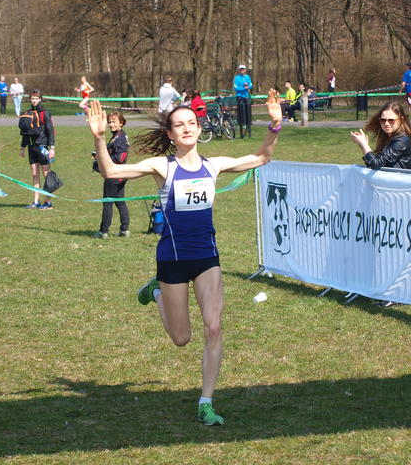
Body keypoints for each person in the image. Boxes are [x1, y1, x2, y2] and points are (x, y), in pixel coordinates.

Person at [87, 89, 282, 426]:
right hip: (173, 261)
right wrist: (100, 138)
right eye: (179, 125)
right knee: (182, 339)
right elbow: (110, 172)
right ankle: (156, 291)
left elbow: (262, 158)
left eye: (192, 122)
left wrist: (275, 126)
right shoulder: (162, 167)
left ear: (199, 128)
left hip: (207, 258)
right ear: (170, 134)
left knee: (214, 327)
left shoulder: (213, 165)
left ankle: (206, 402)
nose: (187, 128)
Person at [92, 111, 130, 239]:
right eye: (109, 122)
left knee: (108, 203)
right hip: (120, 174)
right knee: (120, 202)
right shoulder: (116, 136)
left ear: (121, 123)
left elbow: (119, 158)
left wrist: (102, 159)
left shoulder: (120, 138)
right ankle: (124, 230)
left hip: (115, 174)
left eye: (114, 122)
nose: (111, 124)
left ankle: (103, 231)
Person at [349, 101, 411, 170]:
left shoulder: (401, 141)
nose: (386, 123)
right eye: (382, 120)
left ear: (401, 119)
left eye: (391, 120)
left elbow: (376, 165)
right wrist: (362, 145)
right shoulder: (388, 138)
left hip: (400, 177)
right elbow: (372, 165)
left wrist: (364, 145)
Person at [19, 89, 56, 209]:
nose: (34, 100)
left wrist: (52, 148)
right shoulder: (28, 113)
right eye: (32, 98)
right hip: (32, 148)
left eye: (36, 98)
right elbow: (25, 133)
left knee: (46, 174)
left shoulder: (45, 113)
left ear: (40, 99)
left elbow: (50, 131)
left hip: (43, 147)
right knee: (35, 174)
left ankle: (48, 202)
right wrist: (22, 147)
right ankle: (36, 201)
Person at [233, 64, 253, 137]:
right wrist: (244, 88)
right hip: (240, 97)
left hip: (246, 97)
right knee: (241, 114)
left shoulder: (247, 77)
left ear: (245, 70)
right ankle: (241, 132)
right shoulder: (236, 78)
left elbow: (251, 85)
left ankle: (249, 131)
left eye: (243, 69)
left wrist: (248, 86)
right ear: (239, 70)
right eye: (241, 69)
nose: (242, 70)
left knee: (248, 113)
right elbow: (236, 88)